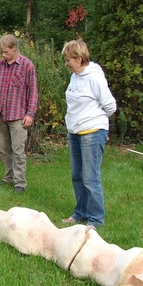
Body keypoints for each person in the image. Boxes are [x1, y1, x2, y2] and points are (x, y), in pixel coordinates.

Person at [61, 39, 116, 228]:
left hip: (91, 132)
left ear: (79, 58)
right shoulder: (75, 77)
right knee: (77, 175)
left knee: (90, 177)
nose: (66, 64)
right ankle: (80, 213)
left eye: (68, 60)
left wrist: (100, 124)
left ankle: (95, 219)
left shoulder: (94, 77)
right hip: (75, 132)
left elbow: (110, 105)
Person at [0, 34, 38, 193]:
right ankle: (8, 178)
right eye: (1, 52)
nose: (3, 55)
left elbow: (33, 92)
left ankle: (19, 184)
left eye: (6, 52)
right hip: (0, 113)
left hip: (18, 115)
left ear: (14, 49)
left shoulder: (27, 65)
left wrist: (30, 114)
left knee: (18, 150)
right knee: (3, 149)